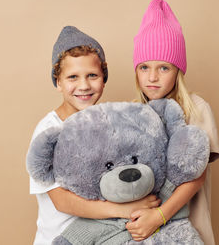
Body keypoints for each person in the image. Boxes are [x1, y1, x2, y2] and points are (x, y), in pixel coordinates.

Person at [27, 26, 160, 245]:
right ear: (58, 82)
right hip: (58, 240)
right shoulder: (49, 130)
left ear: (104, 78)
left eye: (92, 75)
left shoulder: (109, 122)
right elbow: (62, 202)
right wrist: (123, 210)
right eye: (72, 77)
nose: (84, 85)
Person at [125, 0, 219, 245]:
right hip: (144, 233)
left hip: (188, 228)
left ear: (178, 70)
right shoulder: (133, 113)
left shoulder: (196, 108)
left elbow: (196, 176)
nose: (152, 77)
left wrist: (159, 216)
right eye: (144, 67)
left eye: (164, 68)